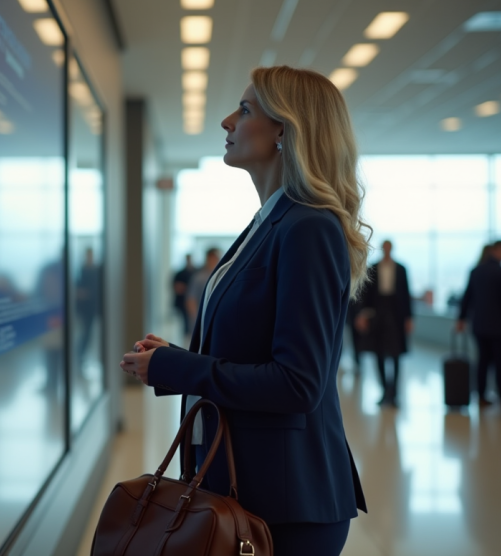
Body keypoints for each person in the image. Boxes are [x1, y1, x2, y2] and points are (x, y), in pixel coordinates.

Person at [120, 66, 368, 555]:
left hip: (286, 504)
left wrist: (178, 366)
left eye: (246, 109)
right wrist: (170, 361)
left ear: (284, 130)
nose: (227, 121)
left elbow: (297, 383)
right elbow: (251, 347)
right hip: (249, 487)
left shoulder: (308, 227)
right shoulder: (270, 221)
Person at [457, 240, 501, 407]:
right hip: (499, 327)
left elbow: (467, 297)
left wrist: (461, 318)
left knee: (483, 361)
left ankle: (481, 395)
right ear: (498, 250)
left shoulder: (476, 271)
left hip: (479, 325)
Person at [355, 240, 413, 406]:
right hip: (378, 314)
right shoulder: (373, 268)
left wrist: (408, 318)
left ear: (392, 249)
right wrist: (362, 315)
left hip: (396, 315)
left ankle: (393, 392)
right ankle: (384, 391)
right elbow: (366, 294)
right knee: (378, 352)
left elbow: (406, 294)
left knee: (395, 354)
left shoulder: (401, 269)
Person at [185, 247, 220, 339]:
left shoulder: (222, 275)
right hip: (202, 319)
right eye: (213, 257)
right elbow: (191, 299)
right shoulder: (199, 277)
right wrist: (196, 319)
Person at [172, 254, 196, 336]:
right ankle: (187, 335)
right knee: (185, 320)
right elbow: (176, 287)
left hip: (194, 300)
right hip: (182, 301)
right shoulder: (180, 273)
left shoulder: (196, 272)